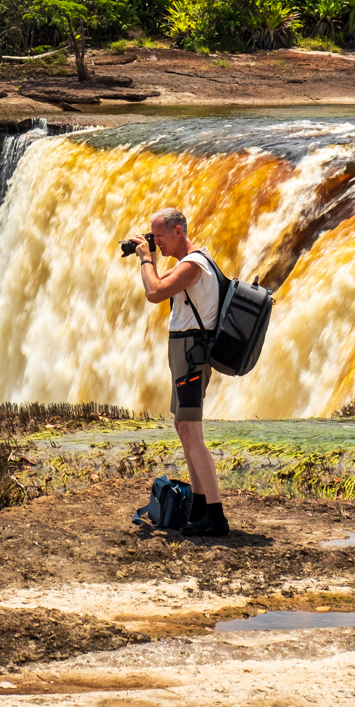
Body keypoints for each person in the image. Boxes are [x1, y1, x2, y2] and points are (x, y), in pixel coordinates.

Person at [126, 206, 229, 537]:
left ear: (178, 231)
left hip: (191, 353)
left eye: (159, 236)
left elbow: (154, 292)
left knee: (190, 432)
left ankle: (216, 517)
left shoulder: (193, 266)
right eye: (152, 236)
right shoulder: (195, 261)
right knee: (183, 427)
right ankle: (199, 507)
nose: (156, 242)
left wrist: (145, 258)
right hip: (185, 351)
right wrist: (150, 254)